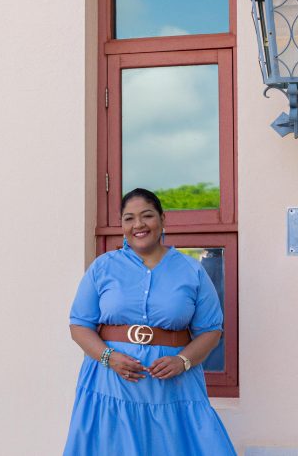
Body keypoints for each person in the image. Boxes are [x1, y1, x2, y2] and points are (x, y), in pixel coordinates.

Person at [63, 188, 236, 455]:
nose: (138, 225)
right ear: (122, 225)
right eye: (129, 218)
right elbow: (79, 325)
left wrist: (183, 361)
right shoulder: (102, 267)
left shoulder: (191, 271)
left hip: (173, 389)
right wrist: (109, 357)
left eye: (147, 216)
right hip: (111, 385)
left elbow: (211, 331)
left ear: (162, 219)